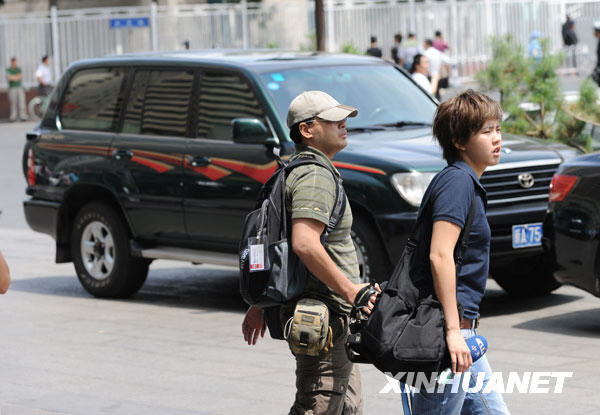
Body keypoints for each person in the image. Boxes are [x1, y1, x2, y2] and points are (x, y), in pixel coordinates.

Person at [241, 90, 380, 415]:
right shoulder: (315, 174)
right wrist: (352, 290)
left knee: (348, 408)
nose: (343, 124)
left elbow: (280, 243)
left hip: (333, 317)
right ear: (307, 129)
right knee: (317, 408)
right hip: (326, 317)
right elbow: (304, 243)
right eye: (333, 119)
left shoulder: (298, 169)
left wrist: (262, 303)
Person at [407, 90, 509, 414]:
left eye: (497, 128)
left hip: (462, 334)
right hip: (446, 335)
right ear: (460, 141)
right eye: (485, 131)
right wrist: (453, 331)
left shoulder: (464, 181)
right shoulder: (457, 183)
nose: (496, 138)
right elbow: (440, 255)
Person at [7, 57, 27, 122]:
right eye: (14, 62)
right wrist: (15, 77)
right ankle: (13, 116)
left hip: (19, 87)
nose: (15, 63)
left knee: (21, 102)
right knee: (13, 102)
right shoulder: (9, 69)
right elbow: (9, 78)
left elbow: (20, 76)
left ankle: (22, 116)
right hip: (12, 88)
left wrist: (14, 77)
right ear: (12, 62)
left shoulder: (18, 69)